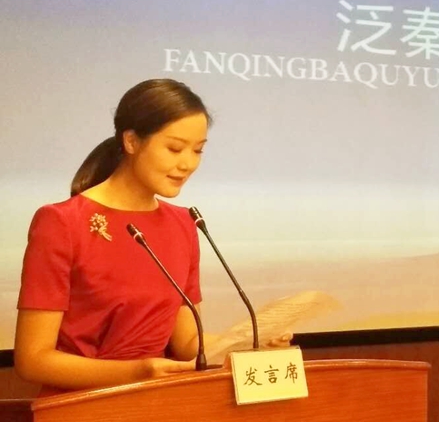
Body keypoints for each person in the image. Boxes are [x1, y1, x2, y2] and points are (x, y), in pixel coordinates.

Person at [14, 79, 289, 391]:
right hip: (81, 407)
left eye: (198, 150)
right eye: (174, 149)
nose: (188, 164)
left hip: (158, 404)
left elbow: (188, 342)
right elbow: (33, 359)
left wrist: (250, 344)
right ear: (131, 141)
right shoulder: (63, 222)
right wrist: (136, 372)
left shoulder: (184, 223)